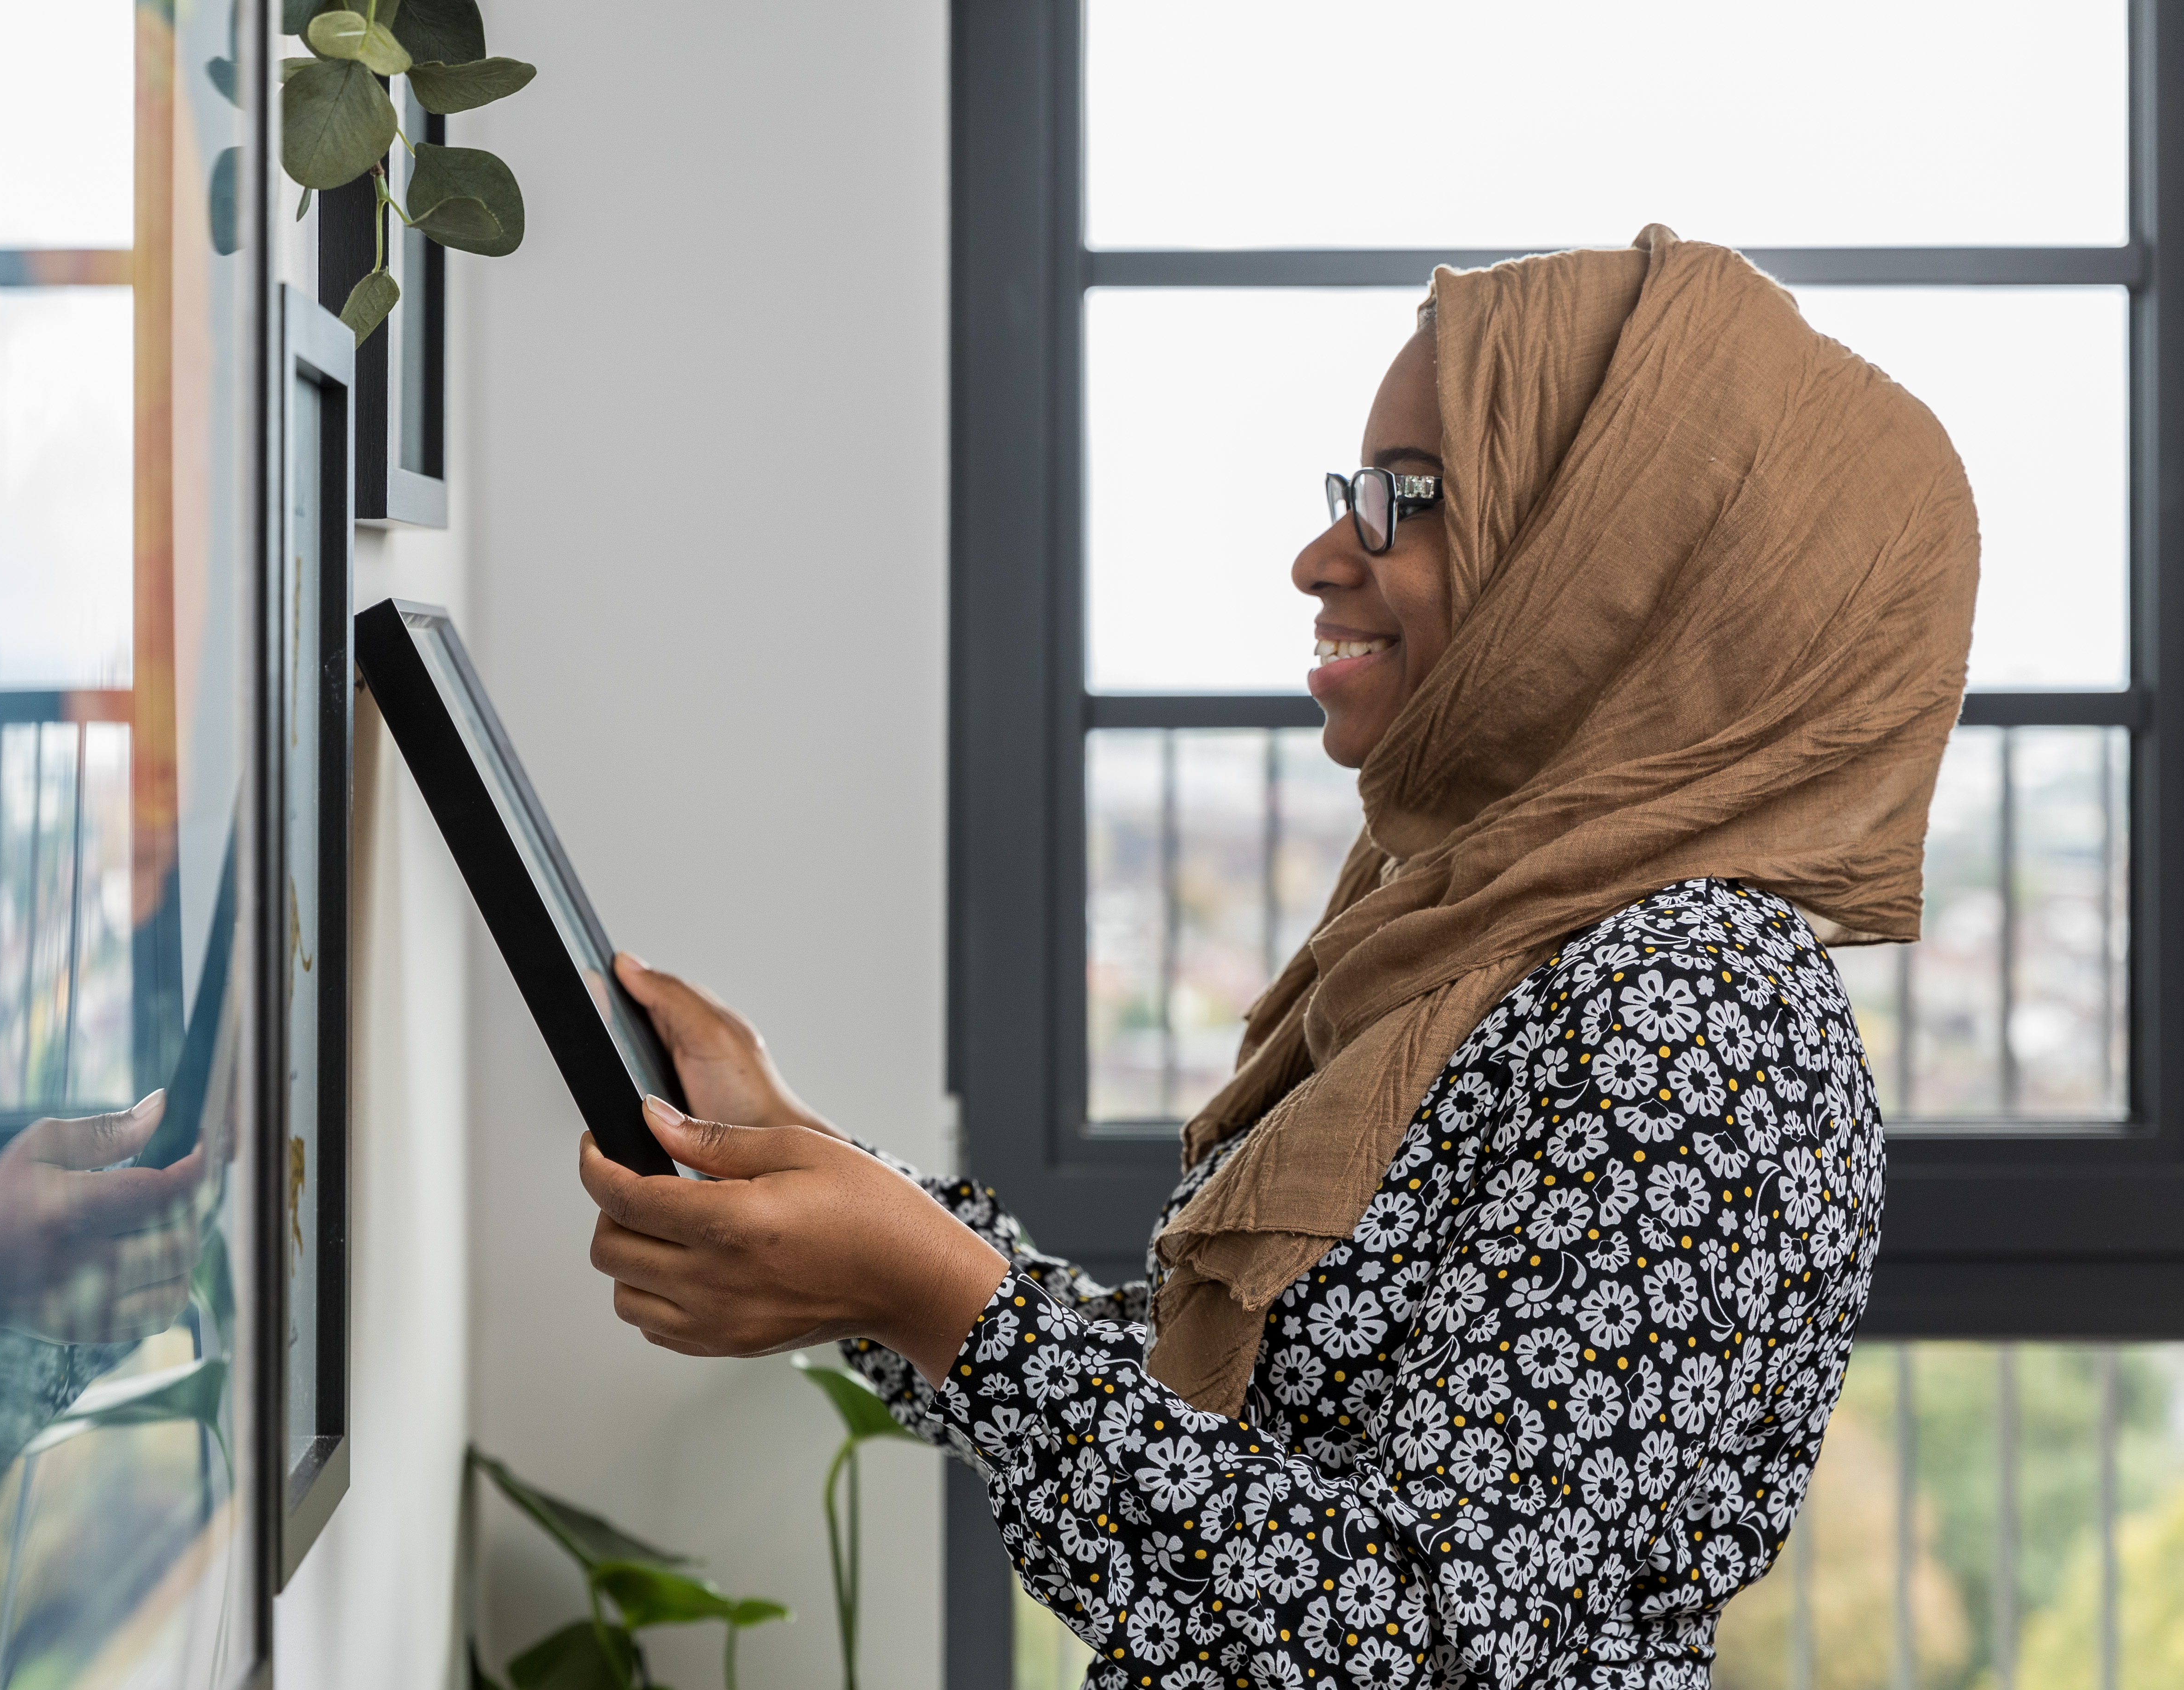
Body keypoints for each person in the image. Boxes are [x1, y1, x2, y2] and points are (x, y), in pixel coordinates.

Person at [575, 226, 1977, 1690]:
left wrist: (937, 1298)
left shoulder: (1692, 1019)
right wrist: (832, 1197)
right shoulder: (1479, 923)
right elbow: (1270, 1431)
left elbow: (1410, 1639)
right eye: (1350, 494)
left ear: (1619, 566)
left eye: (1407, 501)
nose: (1321, 556)